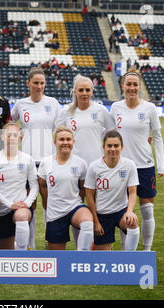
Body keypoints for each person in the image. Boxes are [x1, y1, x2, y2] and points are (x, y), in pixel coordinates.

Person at [55, 74, 114, 248]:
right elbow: (58, 135)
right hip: (73, 167)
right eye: (81, 90)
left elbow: (111, 134)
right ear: (74, 91)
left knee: (98, 205)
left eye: (87, 90)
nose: (84, 93)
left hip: (96, 166)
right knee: (77, 204)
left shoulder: (101, 111)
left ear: (92, 91)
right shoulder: (66, 112)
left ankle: (100, 241)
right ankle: (80, 245)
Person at [110, 69, 164, 251]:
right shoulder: (116, 108)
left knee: (147, 210)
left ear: (139, 87)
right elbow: (111, 137)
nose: (132, 88)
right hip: (122, 167)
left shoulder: (149, 108)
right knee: (125, 211)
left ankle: (147, 249)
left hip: (145, 166)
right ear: (123, 86)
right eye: (129, 84)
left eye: (135, 84)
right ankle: (127, 250)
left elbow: (157, 136)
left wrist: (161, 164)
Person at [11, 67, 61, 249]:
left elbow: (62, 128)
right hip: (27, 161)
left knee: (50, 204)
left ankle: (50, 242)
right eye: (36, 83)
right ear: (28, 84)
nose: (39, 86)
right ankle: (30, 245)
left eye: (42, 83)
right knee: (28, 204)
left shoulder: (53, 103)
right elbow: (10, 124)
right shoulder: (20, 104)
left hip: (49, 161)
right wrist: (17, 132)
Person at [38, 126, 93, 251]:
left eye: (68, 139)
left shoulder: (81, 163)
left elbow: (83, 187)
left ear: (73, 142)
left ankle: (82, 259)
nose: (65, 142)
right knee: (56, 257)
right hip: (55, 213)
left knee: (87, 223)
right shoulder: (46, 163)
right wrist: (47, 203)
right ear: (55, 142)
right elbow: (41, 185)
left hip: (74, 206)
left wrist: (80, 202)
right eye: (61, 139)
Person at [84, 130, 140, 251]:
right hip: (102, 214)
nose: (113, 149)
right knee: (103, 258)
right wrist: (95, 221)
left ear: (122, 147)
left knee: (133, 222)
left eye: (116, 145)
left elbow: (132, 192)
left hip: (121, 211)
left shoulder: (129, 165)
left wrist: (129, 211)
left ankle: (130, 259)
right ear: (103, 147)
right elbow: (89, 195)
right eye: (109, 146)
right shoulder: (94, 167)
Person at [0, 122, 38, 250]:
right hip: (1, 210)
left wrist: (27, 203)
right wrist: (9, 204)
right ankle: (15, 246)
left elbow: (34, 185)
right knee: (7, 252)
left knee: (21, 216)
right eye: (8, 135)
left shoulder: (27, 159)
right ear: (2, 137)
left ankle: (23, 253)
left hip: (21, 207)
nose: (11, 138)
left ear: (20, 138)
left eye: (15, 135)